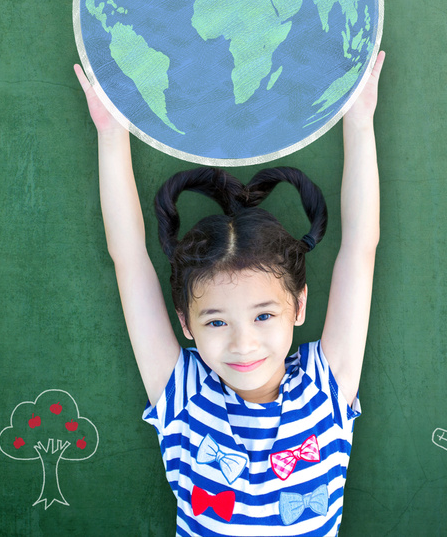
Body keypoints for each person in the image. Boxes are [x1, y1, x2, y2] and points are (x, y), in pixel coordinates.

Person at [74, 52, 385, 535]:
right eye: (217, 321)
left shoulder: (326, 387)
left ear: (298, 305)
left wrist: (360, 120)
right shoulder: (182, 393)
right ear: (185, 323)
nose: (243, 343)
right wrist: (111, 135)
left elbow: (360, 250)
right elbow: (129, 258)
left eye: (263, 315)